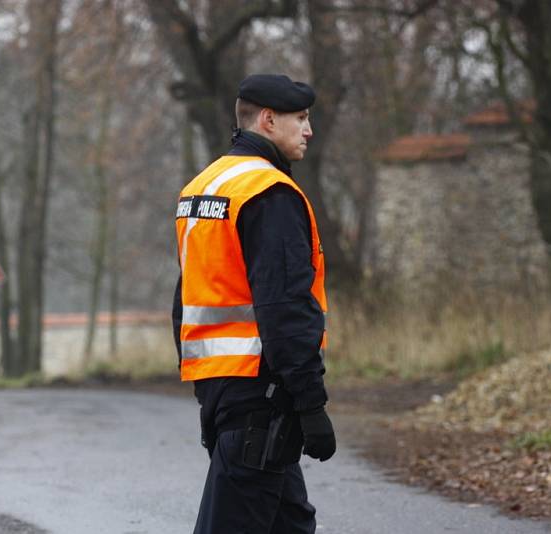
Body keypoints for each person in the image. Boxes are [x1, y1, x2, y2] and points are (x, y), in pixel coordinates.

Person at [172, 74, 336, 534]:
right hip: (261, 392)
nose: (309, 130)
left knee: (290, 523)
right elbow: (285, 307)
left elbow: (183, 299)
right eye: (300, 119)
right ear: (268, 120)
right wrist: (310, 402)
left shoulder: (202, 188)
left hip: (223, 389)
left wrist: (208, 388)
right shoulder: (269, 193)